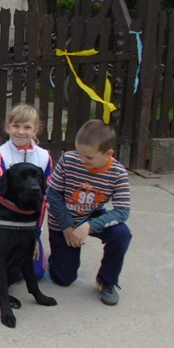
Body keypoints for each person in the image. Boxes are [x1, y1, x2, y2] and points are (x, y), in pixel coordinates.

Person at [46, 120, 132, 306]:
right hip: (63, 219)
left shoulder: (118, 173)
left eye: (89, 157)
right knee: (63, 279)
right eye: (79, 153)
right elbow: (53, 194)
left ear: (108, 154)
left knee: (122, 234)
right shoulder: (68, 160)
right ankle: (56, 258)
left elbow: (122, 211)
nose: (82, 160)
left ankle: (107, 281)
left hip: (90, 216)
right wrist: (66, 227)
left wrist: (89, 226)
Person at [0, 104, 53, 279]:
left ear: (36, 130)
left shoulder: (44, 157)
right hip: (6, 224)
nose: (21, 132)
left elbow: (43, 199)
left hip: (29, 225)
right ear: (7, 127)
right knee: (12, 272)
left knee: (36, 273)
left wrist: (35, 236)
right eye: (16, 126)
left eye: (27, 127)